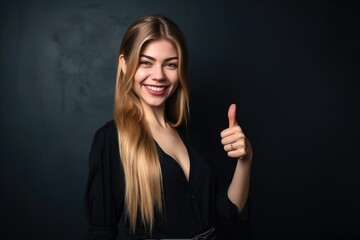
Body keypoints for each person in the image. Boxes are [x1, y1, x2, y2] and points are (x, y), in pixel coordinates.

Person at [85, 15, 252, 240]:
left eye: (170, 64)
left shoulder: (191, 134)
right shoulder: (111, 139)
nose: (159, 75)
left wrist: (246, 159)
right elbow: (100, 233)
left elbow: (225, 215)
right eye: (146, 62)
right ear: (125, 64)